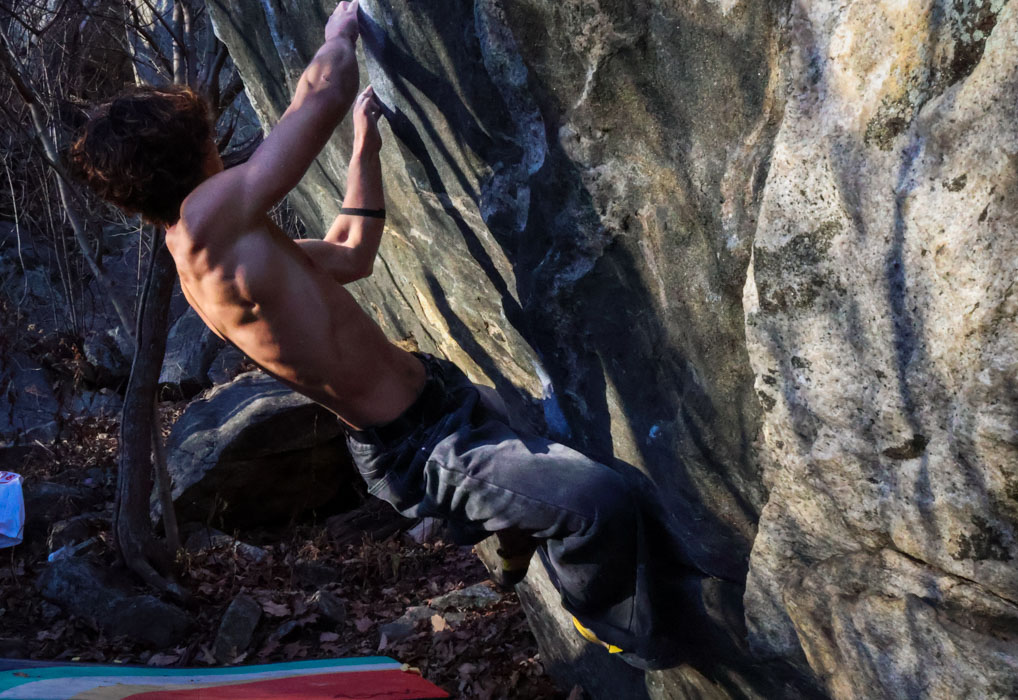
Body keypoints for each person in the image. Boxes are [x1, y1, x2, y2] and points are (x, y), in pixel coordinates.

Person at [69, 0, 672, 668]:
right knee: (597, 503)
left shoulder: (229, 248)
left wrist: (364, 148)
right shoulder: (206, 225)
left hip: (440, 400)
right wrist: (339, 33)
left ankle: (510, 536)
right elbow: (322, 93)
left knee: (554, 434)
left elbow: (353, 252)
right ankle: (613, 629)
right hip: (423, 449)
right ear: (191, 147)